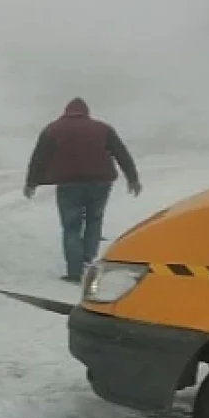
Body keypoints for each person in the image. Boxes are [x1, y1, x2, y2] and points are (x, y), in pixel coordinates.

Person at [24, 97, 142, 282]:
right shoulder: (103, 129)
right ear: (86, 112)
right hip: (100, 183)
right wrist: (133, 179)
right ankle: (87, 259)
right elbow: (121, 153)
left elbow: (39, 157)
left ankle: (74, 271)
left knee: (71, 227)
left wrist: (31, 182)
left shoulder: (53, 129)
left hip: (69, 184)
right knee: (94, 220)